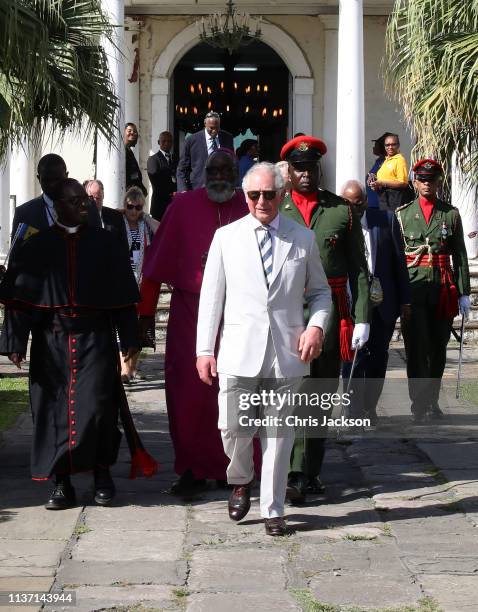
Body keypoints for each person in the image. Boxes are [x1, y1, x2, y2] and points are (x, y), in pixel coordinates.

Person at [0, 179, 157, 510]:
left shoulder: (105, 243)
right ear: (57, 206)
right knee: (53, 412)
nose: (83, 205)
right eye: (74, 201)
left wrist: (129, 339)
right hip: (51, 343)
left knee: (100, 410)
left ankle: (102, 476)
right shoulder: (37, 246)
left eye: (84, 200)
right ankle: (61, 483)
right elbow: (20, 298)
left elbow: (123, 297)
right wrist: (15, 341)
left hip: (95, 341)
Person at [196, 162, 331, 536]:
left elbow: (320, 293)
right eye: (254, 195)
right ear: (245, 196)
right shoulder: (226, 237)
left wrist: (316, 326)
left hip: (286, 353)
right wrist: (204, 349)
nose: (261, 201)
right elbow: (212, 299)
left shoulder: (301, 238)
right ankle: (240, 479)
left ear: (282, 194)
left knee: (278, 434)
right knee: (233, 429)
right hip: (239, 351)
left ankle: (273, 508)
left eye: (269, 194)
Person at [138, 150, 247, 495]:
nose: (218, 177)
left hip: (238, 315)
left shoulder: (250, 205)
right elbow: (154, 268)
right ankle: (190, 468)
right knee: (188, 395)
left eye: (225, 171)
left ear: (236, 173)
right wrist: (144, 316)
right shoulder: (182, 207)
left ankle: (236, 467)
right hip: (191, 314)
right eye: (212, 170)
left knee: (236, 394)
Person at [279, 135, 370, 503]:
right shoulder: (275, 208)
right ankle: (290, 469)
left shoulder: (340, 211)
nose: (304, 174)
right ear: (289, 171)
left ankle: (307, 470)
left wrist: (362, 317)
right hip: (285, 313)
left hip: (330, 314)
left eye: (310, 167)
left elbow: (359, 271)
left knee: (318, 395)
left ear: (319, 168)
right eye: (298, 168)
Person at [396, 159, 470, 423]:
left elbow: (460, 255)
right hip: (414, 288)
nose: (427, 183)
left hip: (442, 288)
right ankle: (419, 403)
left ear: (440, 181)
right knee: (416, 347)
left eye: (432, 179)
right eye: (422, 179)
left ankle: (432, 400)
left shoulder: (450, 214)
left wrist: (464, 292)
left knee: (438, 347)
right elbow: (397, 258)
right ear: (414, 182)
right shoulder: (402, 214)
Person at [340, 180, 411, 424]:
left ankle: (370, 408)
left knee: (378, 358)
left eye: (358, 204)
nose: (354, 209)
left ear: (365, 201)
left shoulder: (385, 219)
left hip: (383, 304)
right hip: (351, 304)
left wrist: (405, 300)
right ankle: (353, 411)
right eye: (349, 204)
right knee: (352, 359)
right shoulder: (339, 224)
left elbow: (399, 263)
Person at [120, 186, 159, 384]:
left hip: (144, 282)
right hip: (124, 282)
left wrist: (147, 217)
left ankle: (133, 368)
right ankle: (124, 369)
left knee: (140, 328)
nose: (133, 211)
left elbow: (162, 231)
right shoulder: (119, 224)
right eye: (130, 206)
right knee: (124, 326)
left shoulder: (145, 226)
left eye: (138, 207)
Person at [11, 154, 100, 238]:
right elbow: (16, 253)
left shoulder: (88, 206)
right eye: (47, 180)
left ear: (66, 175)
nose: (52, 185)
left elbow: (100, 243)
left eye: (57, 179)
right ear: (38, 178)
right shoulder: (24, 213)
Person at [176, 111, 234, 192]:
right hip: (199, 188)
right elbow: (182, 168)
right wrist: (183, 190)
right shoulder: (192, 140)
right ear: (205, 124)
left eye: (217, 128)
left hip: (222, 189)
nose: (214, 131)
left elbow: (232, 163)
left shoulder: (227, 138)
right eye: (211, 128)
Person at [369, 133, 412, 211]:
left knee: (391, 222)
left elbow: (403, 183)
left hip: (394, 202)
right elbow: (385, 179)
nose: (390, 147)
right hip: (383, 201)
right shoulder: (386, 160)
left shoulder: (399, 160)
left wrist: (382, 182)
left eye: (393, 144)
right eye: (387, 145)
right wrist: (374, 182)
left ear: (398, 145)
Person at [85, 179, 128, 246]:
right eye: (92, 198)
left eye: (98, 198)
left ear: (103, 196)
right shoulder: (81, 218)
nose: (95, 202)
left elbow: (123, 246)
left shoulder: (116, 217)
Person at [147, 131, 177, 221]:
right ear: (158, 142)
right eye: (164, 141)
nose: (167, 143)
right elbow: (155, 182)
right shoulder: (153, 159)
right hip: (160, 205)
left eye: (169, 141)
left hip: (174, 204)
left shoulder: (176, 159)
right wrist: (172, 193)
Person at [125, 122, 147, 196]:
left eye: (135, 131)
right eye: (129, 131)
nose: (133, 133)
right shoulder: (122, 151)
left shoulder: (129, 151)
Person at [366, 134, 388, 209]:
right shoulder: (378, 162)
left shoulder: (386, 163)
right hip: (372, 204)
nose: (373, 147)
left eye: (376, 145)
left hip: (380, 206)